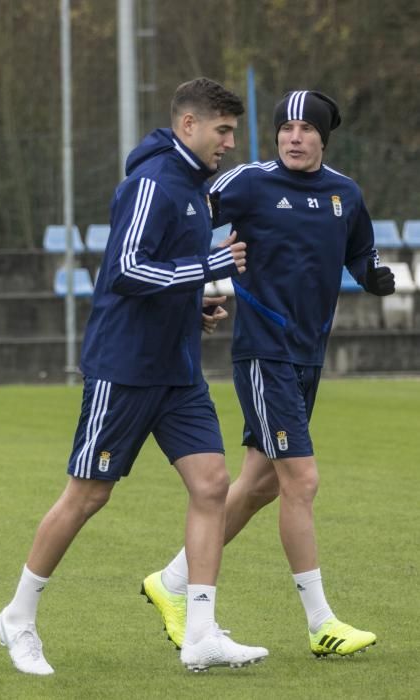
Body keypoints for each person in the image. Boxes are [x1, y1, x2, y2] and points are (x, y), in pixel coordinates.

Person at [0, 77, 269, 675]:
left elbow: (160, 274)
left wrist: (192, 302)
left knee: (212, 484)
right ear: (188, 126)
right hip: (125, 368)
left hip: (177, 368)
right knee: (88, 494)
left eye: (233, 132)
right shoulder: (152, 182)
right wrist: (212, 265)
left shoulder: (194, 188)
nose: (229, 143)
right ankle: (17, 618)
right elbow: (125, 269)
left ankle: (199, 634)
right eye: (222, 131)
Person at [142, 89, 395, 658]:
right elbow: (186, 213)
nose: (294, 138)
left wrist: (373, 273)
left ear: (323, 138)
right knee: (300, 482)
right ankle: (320, 623)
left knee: (257, 484)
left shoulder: (343, 194)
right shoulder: (248, 183)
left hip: (309, 356)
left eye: (306, 129)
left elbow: (361, 251)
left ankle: (172, 581)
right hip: (264, 353)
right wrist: (186, 277)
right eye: (286, 128)